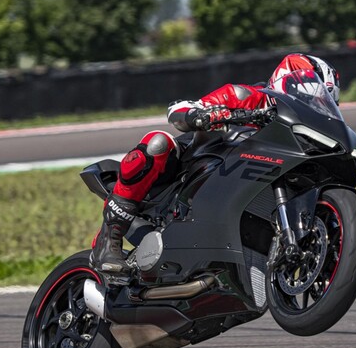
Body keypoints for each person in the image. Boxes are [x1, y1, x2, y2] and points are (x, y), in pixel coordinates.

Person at [90, 53, 341, 274]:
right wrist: (201, 114)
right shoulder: (247, 96)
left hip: (241, 191)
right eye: (313, 96)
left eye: (324, 102)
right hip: (191, 172)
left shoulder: (297, 133)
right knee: (157, 143)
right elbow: (181, 110)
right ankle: (109, 238)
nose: (315, 105)